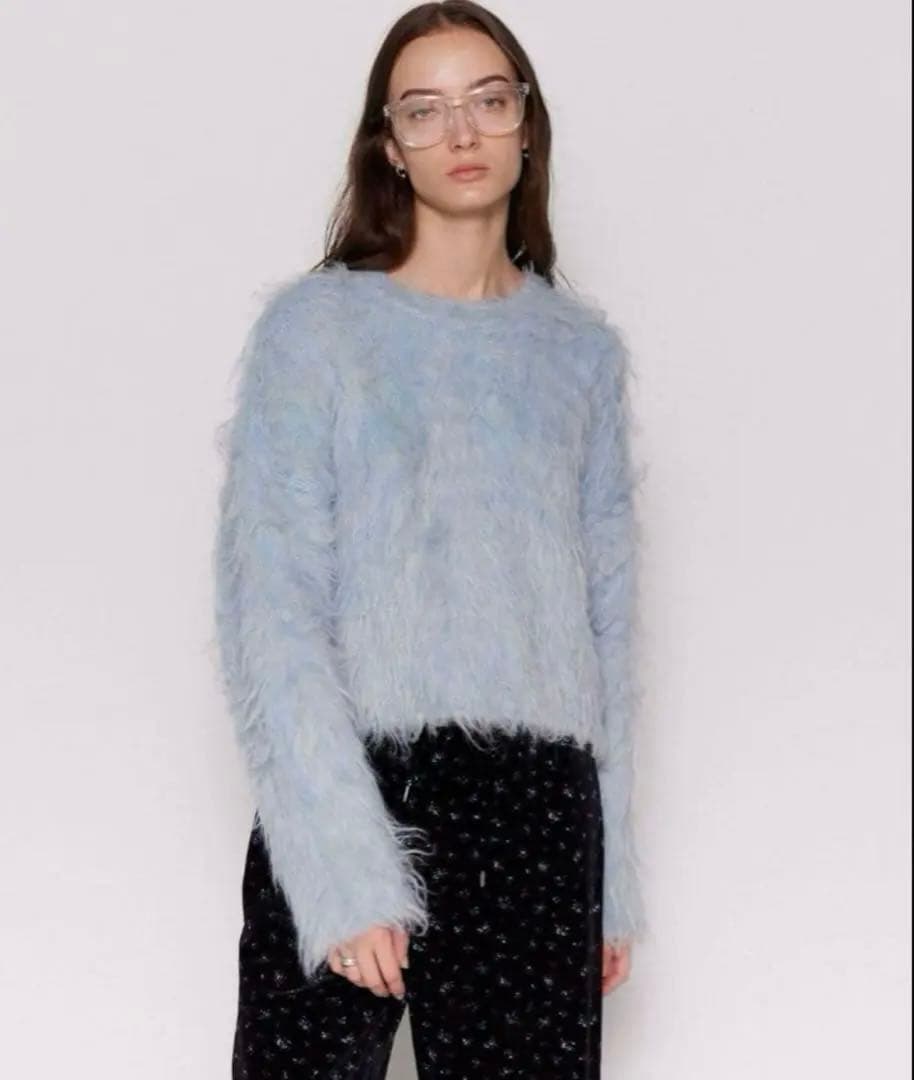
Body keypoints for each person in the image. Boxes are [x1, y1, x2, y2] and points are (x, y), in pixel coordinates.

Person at [211, 1, 649, 1075]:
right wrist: (340, 866)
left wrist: (609, 872)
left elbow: (607, 629)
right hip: (357, 776)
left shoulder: (580, 354)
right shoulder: (315, 333)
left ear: (526, 124)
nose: (460, 131)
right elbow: (271, 609)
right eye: (424, 109)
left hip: (538, 810)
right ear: (389, 146)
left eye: (488, 101)